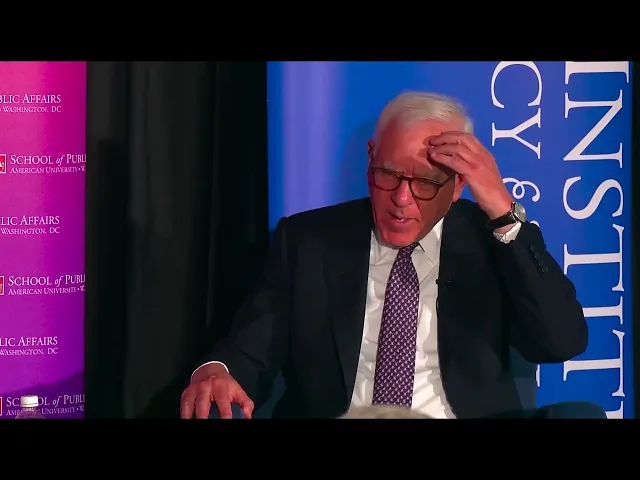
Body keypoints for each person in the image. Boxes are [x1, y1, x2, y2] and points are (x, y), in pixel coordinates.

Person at [180, 91, 603, 420]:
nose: (401, 200)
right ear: (370, 159)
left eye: (425, 183)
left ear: (457, 186)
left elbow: (561, 341)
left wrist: (504, 213)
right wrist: (218, 371)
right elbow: (251, 347)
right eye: (388, 175)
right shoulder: (308, 241)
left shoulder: (492, 243)